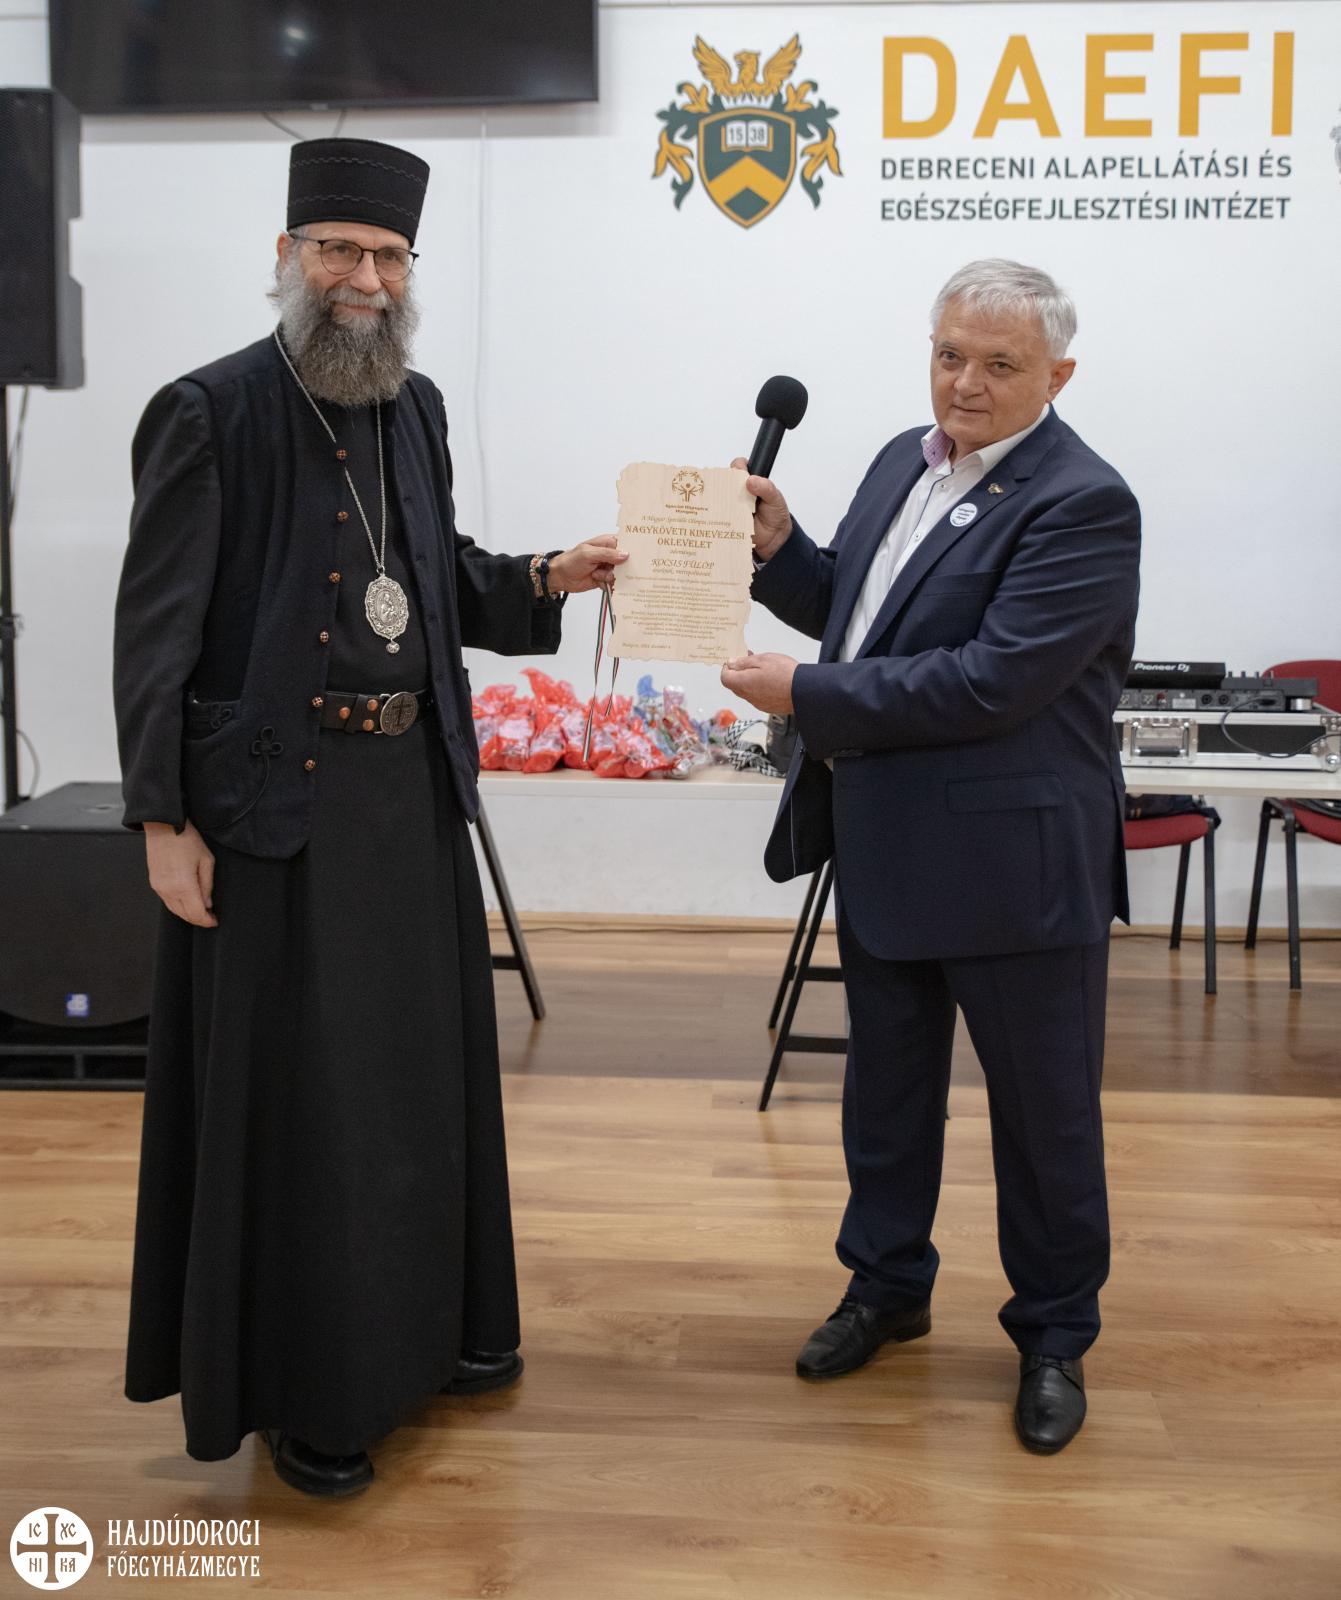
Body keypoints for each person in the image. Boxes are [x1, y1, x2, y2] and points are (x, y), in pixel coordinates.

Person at [112, 136, 625, 1497]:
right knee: (312, 1108)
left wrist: (547, 574)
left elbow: (431, 575)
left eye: (389, 255)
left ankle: (435, 1336)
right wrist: (161, 818)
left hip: (409, 797)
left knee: (410, 1085)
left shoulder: (416, 406)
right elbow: (154, 633)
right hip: (275, 809)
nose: (365, 277)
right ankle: (313, 1391)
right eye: (339, 249)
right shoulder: (208, 411)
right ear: (286, 256)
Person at [722, 259, 1140, 1454]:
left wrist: (804, 693)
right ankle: (886, 1285)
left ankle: (1053, 1335)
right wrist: (784, 549)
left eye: (1000, 364)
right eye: (950, 353)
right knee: (887, 1096)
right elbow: (863, 612)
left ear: (1058, 375)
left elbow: (990, 680)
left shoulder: (1084, 501)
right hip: (890, 843)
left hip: (1017, 869)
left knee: (1044, 1120)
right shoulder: (900, 460)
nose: (965, 382)